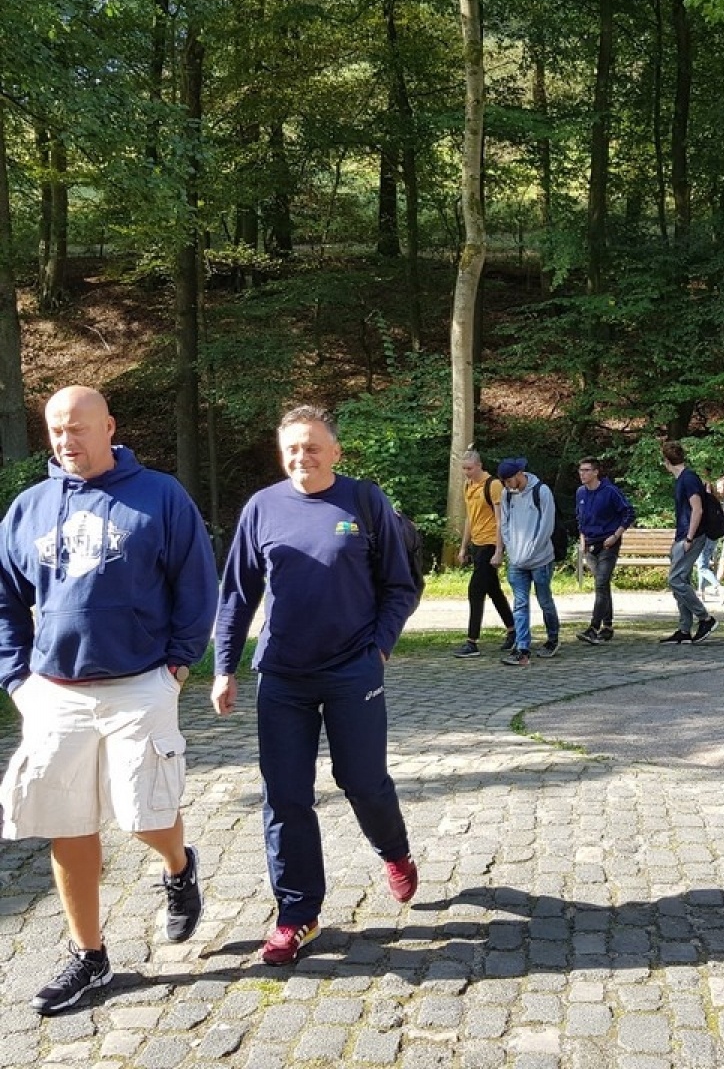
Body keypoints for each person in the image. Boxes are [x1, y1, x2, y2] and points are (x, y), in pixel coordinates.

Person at [0, 386, 217, 1015]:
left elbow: (196, 584)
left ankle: (178, 866)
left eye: (78, 428)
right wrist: (17, 679)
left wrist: (177, 666)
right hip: (54, 693)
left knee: (144, 814)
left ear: (109, 427)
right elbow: (5, 599)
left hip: (140, 684)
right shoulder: (28, 508)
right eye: (57, 430)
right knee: (66, 824)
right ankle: (90, 956)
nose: (67, 440)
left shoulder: (159, 496)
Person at [211, 405, 420, 967]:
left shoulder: (363, 502)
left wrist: (378, 648)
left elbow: (400, 585)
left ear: (335, 452)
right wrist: (225, 666)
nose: (301, 457)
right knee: (285, 796)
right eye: (292, 449)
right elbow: (237, 594)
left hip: (353, 670)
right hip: (282, 676)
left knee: (363, 781)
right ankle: (297, 914)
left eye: (312, 447)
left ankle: (394, 851)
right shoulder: (262, 508)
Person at [497, 457, 560, 667]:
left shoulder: (541, 491)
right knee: (520, 603)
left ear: (519, 475)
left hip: (540, 558)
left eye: (508, 481)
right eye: (504, 482)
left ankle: (552, 638)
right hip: (517, 559)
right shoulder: (507, 494)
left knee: (544, 600)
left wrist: (532, 549)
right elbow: (504, 523)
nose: (507, 485)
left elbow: (546, 525)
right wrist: (511, 548)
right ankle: (522, 647)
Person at [454, 451, 516, 658]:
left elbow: (500, 520)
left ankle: (472, 642)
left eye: (470, 468)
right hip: (477, 543)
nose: (467, 472)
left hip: (490, 543)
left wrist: (499, 550)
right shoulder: (468, 486)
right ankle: (513, 630)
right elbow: (469, 518)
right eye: (464, 468)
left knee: (475, 590)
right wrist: (463, 547)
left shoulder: (493, 485)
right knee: (493, 590)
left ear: (479, 465)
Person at [658, 441, 718, 645]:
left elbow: (697, 509)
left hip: (691, 536)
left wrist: (690, 538)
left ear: (667, 461)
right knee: (681, 580)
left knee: (675, 580)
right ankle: (684, 629)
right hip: (682, 536)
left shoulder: (689, 478)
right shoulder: (683, 479)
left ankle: (705, 619)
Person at [574, 458, 635, 645]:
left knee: (601, 583)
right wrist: (582, 539)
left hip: (608, 543)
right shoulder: (580, 492)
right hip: (590, 545)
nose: (583, 474)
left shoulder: (610, 491)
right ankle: (607, 626)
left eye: (587, 470)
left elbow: (628, 513)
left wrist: (616, 536)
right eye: (581, 470)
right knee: (602, 585)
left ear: (596, 472)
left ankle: (593, 627)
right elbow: (579, 517)